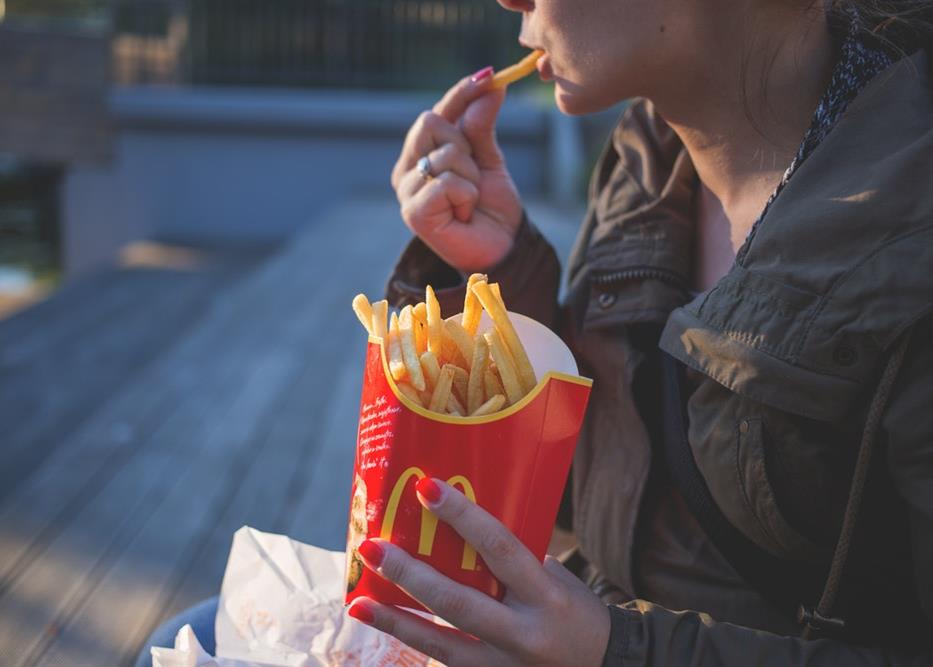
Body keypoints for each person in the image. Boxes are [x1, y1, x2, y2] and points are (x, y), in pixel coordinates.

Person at [343, 0, 933, 665]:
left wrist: (612, 649)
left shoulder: (912, 228)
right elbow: (606, 505)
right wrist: (500, 267)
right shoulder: (644, 158)